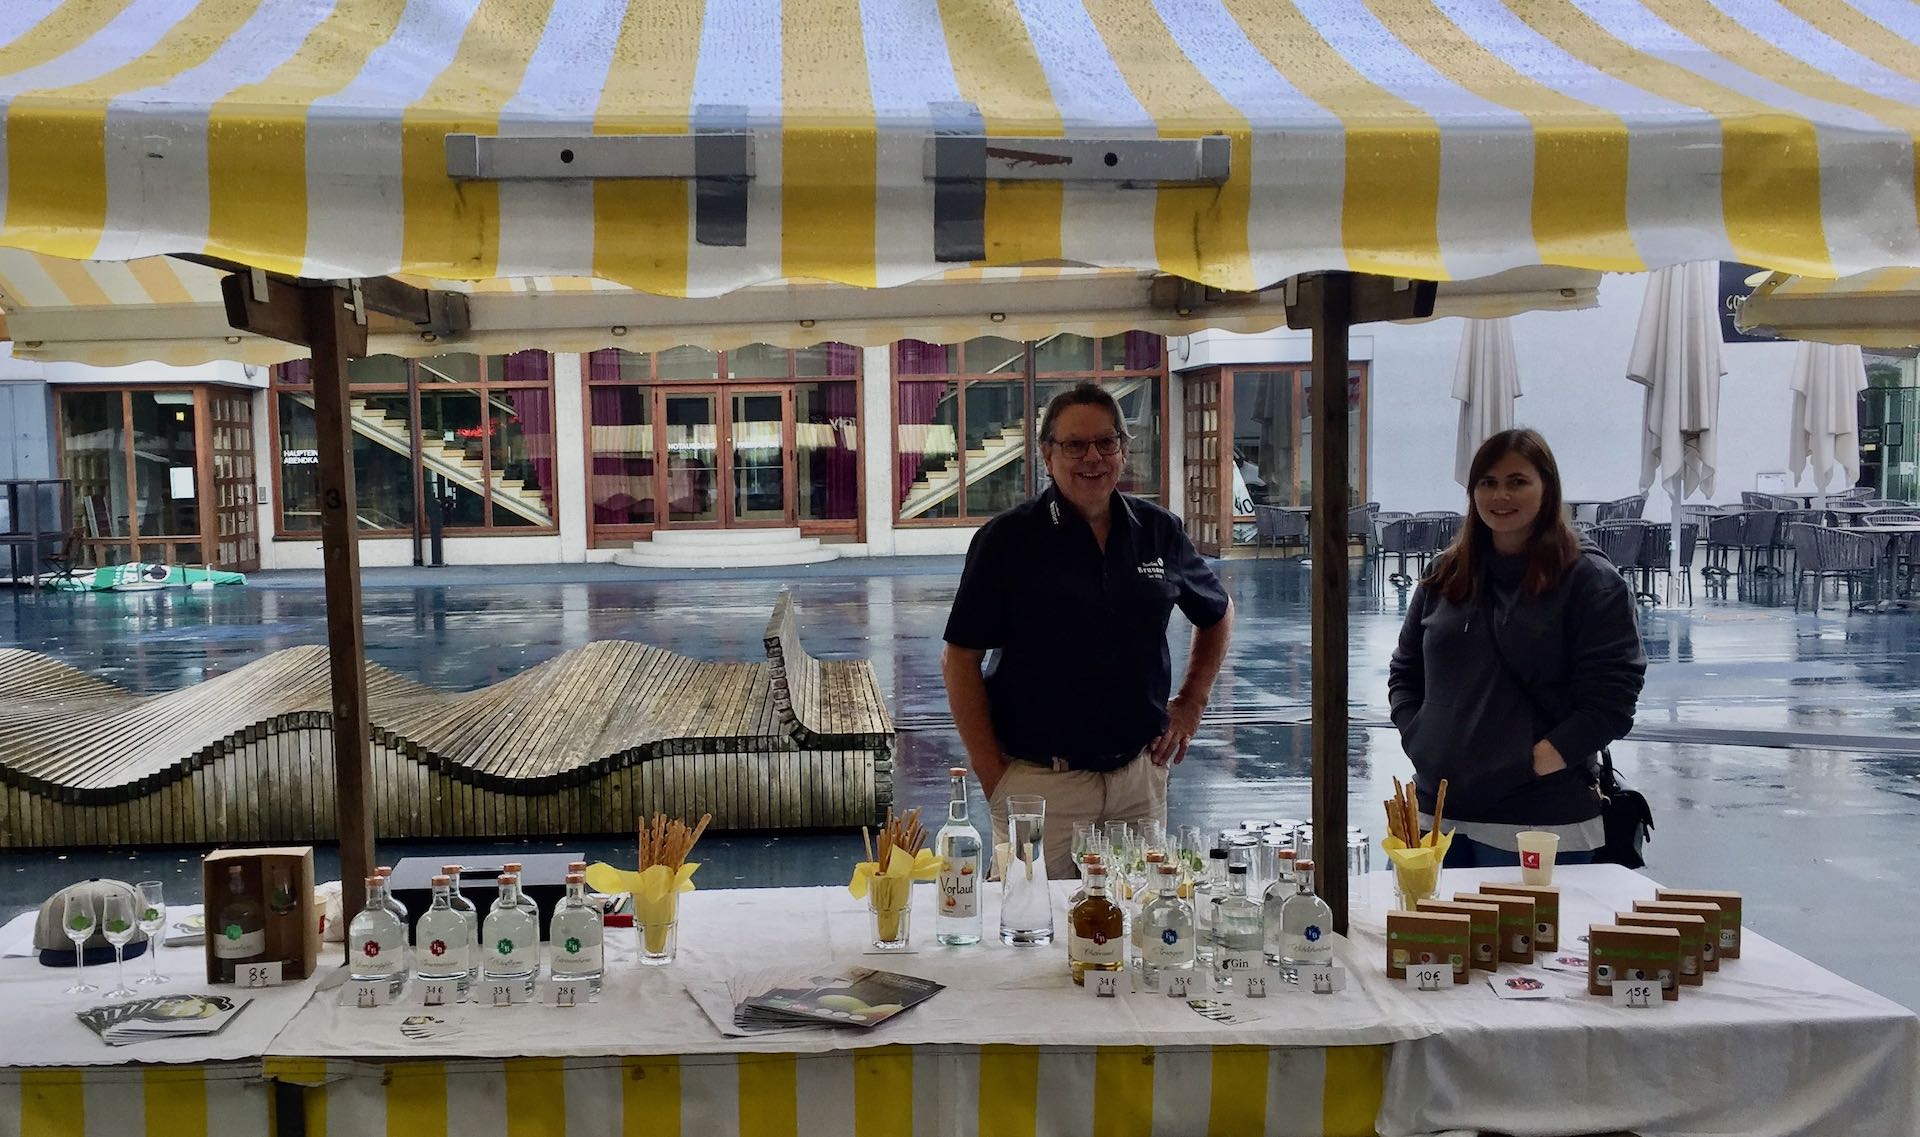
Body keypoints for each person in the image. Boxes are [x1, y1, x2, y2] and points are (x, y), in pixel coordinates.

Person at [942, 383, 1233, 879]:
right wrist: (996, 777)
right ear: (1047, 455)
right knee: (1029, 932)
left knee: (1140, 928)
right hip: (1040, 787)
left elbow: (1218, 613)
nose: (1092, 457)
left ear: (1124, 448)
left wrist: (1191, 705)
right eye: (1074, 445)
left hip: (1138, 786)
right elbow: (960, 659)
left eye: (1106, 442)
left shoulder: (1159, 531)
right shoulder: (1007, 541)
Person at [1387, 428, 1646, 868]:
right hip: (1436, 815)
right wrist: (1421, 739)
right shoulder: (1445, 575)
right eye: (1487, 482)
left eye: (1517, 481)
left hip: (1539, 821)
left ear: (1547, 488)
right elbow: (1405, 671)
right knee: (1425, 937)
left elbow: (1612, 701)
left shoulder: (1589, 582)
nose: (1500, 495)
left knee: (1529, 940)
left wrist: (1529, 765)